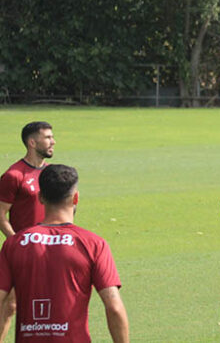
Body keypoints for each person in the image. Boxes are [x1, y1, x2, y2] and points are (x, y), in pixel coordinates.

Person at [0, 164, 129, 342]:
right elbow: (114, 307)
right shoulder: (93, 244)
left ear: (40, 198)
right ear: (75, 198)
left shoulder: (13, 244)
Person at [0, 121, 55, 340]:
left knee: (48, 305)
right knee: (11, 305)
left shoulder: (52, 173)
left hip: (50, 250)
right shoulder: (14, 175)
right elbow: (1, 214)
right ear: (32, 142)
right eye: (48, 137)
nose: (53, 141)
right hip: (22, 252)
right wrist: (18, 242)